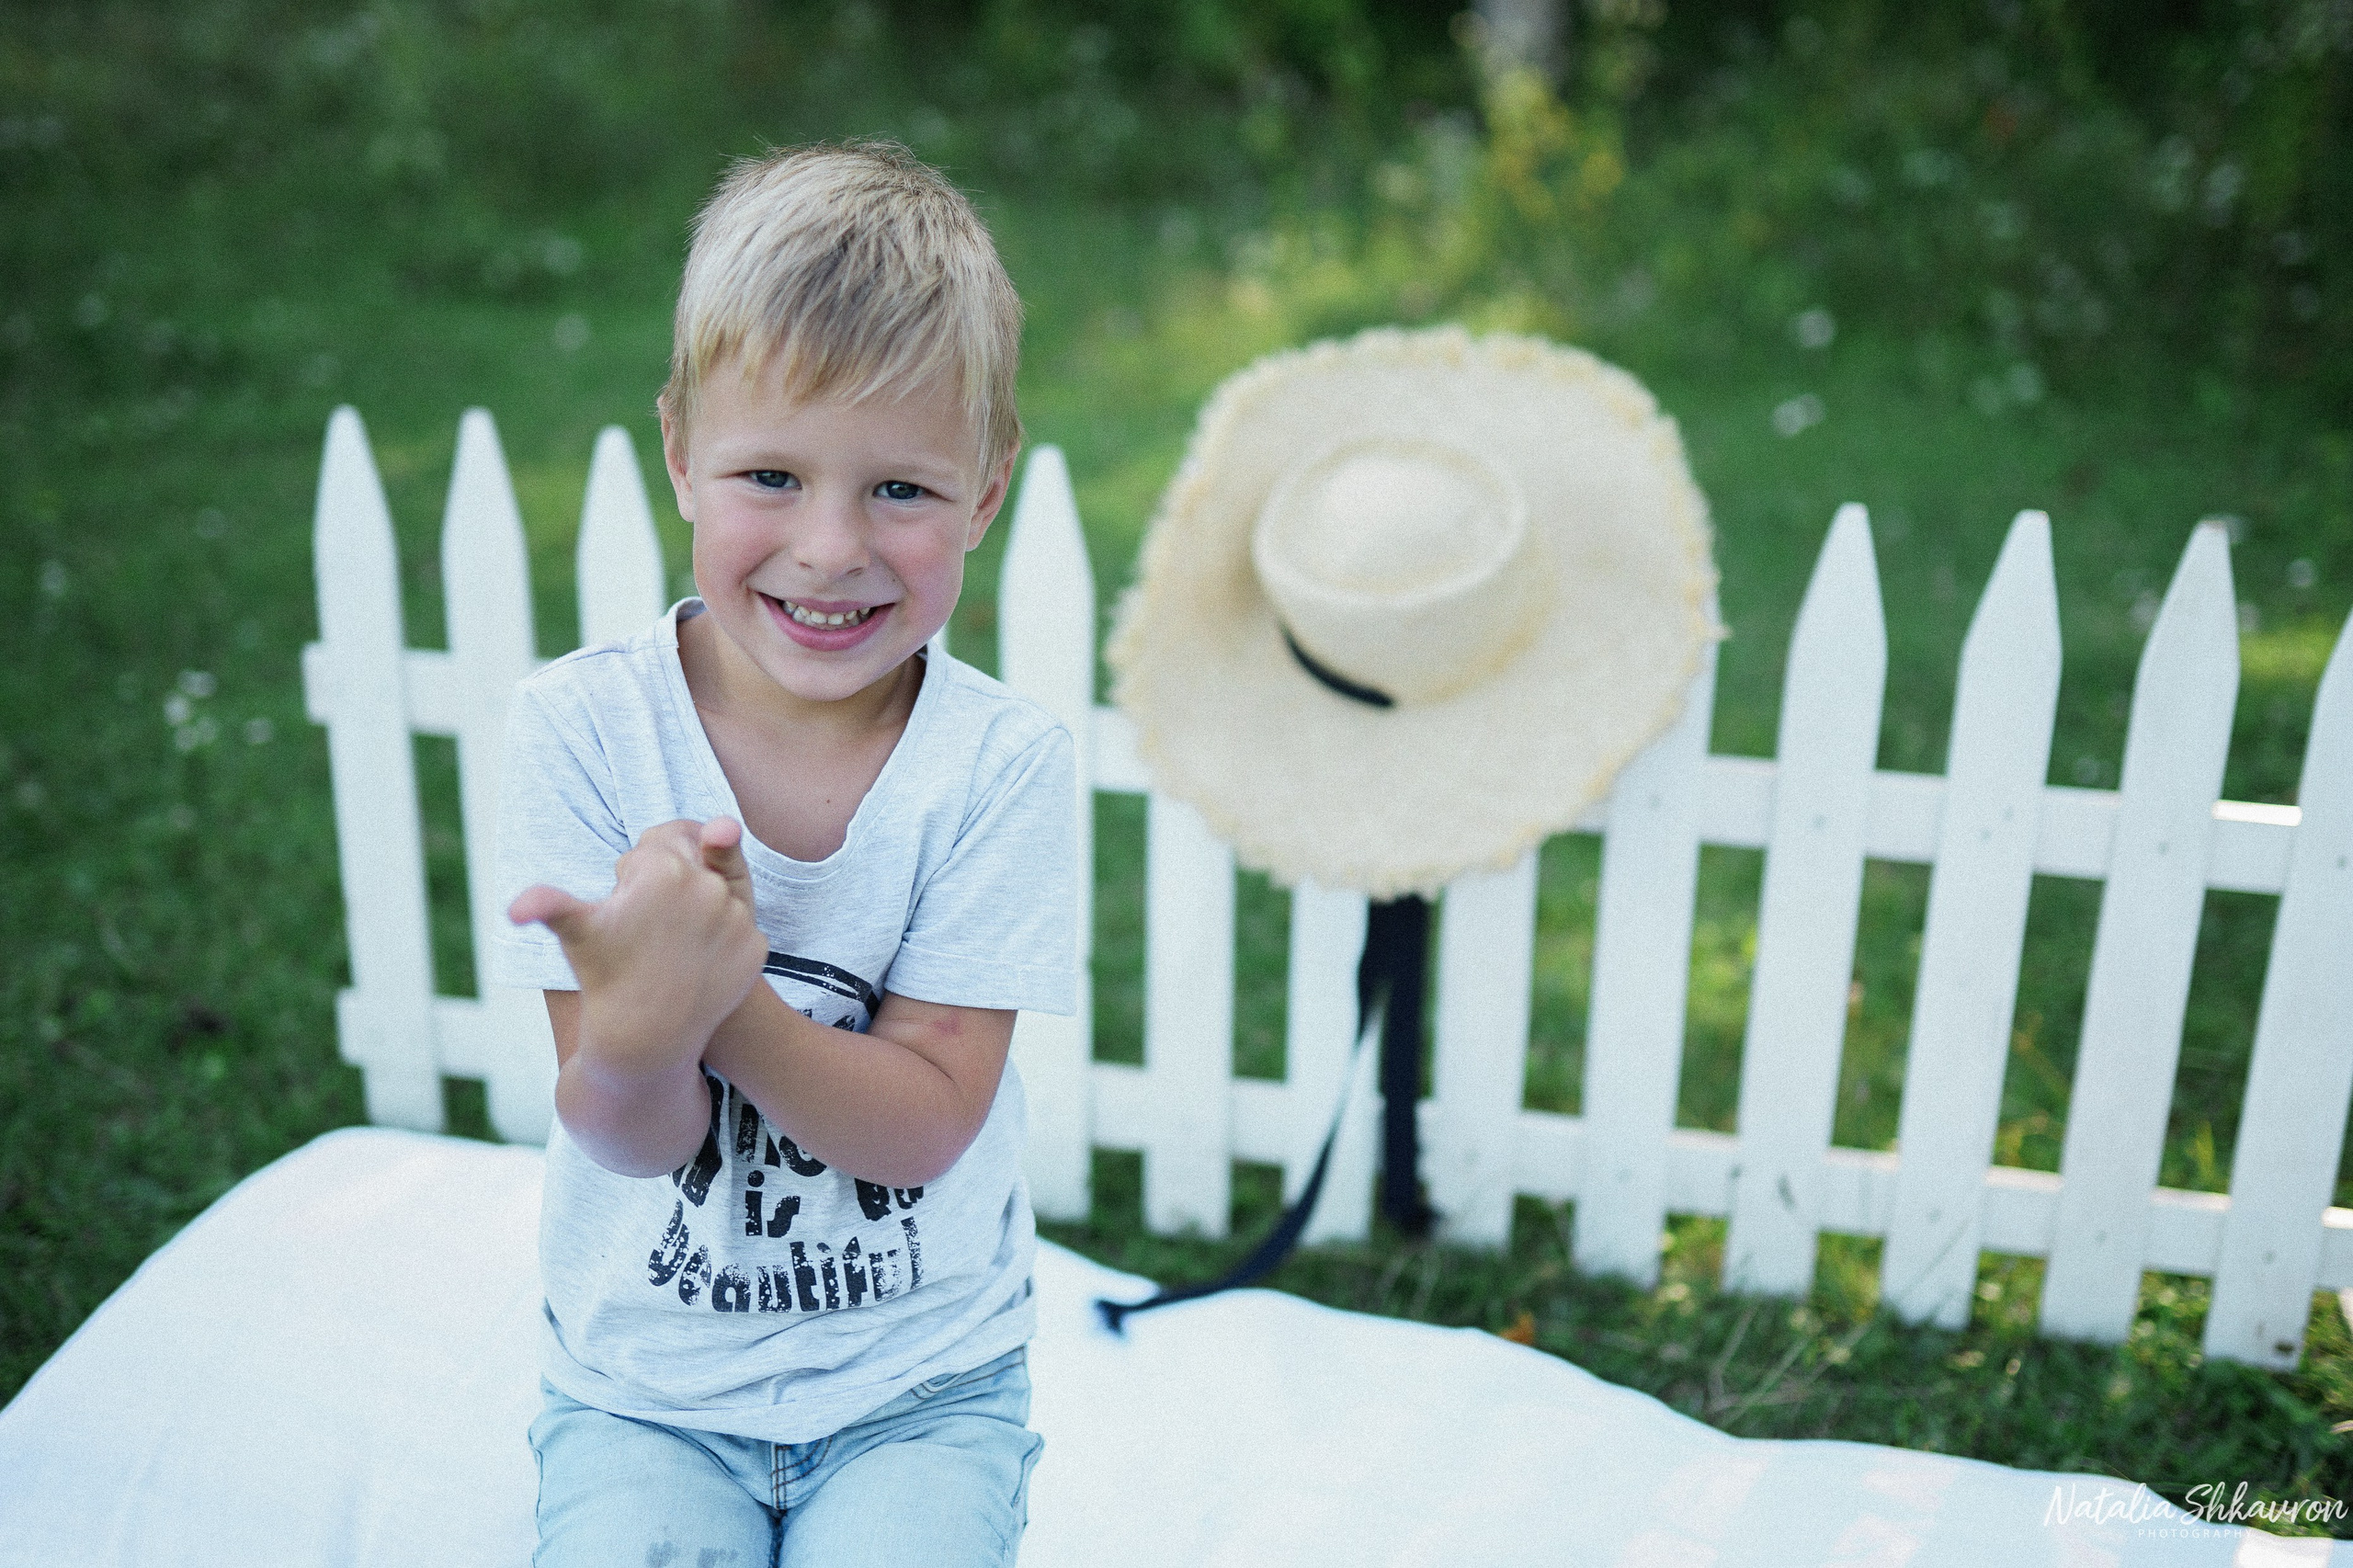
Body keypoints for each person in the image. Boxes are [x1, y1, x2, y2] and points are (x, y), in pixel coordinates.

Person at [489, 140, 1076, 1568]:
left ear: (986, 490)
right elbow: (629, 1135)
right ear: (680, 451)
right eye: (771, 473)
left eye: (901, 491)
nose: (828, 547)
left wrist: (724, 1001)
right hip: (644, 1390)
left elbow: (926, 1122)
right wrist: (639, 1030)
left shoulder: (999, 765)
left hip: (919, 1390)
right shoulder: (585, 730)